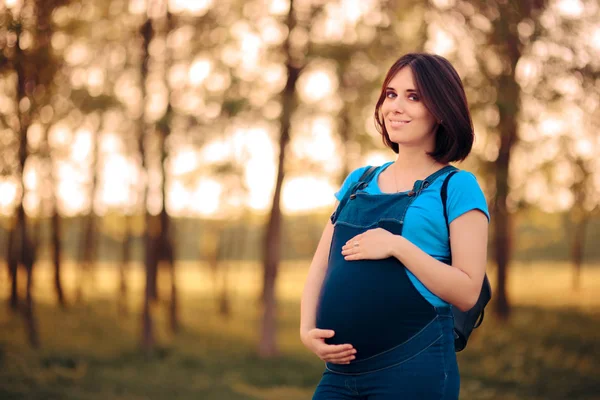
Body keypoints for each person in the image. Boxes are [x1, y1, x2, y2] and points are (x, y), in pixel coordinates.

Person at [300, 52, 489, 399]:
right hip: (339, 376)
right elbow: (321, 264)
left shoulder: (456, 187)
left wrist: (397, 246)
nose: (395, 106)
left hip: (413, 371)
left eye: (413, 97)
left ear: (441, 109)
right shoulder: (359, 181)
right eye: (391, 94)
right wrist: (306, 329)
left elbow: (467, 292)